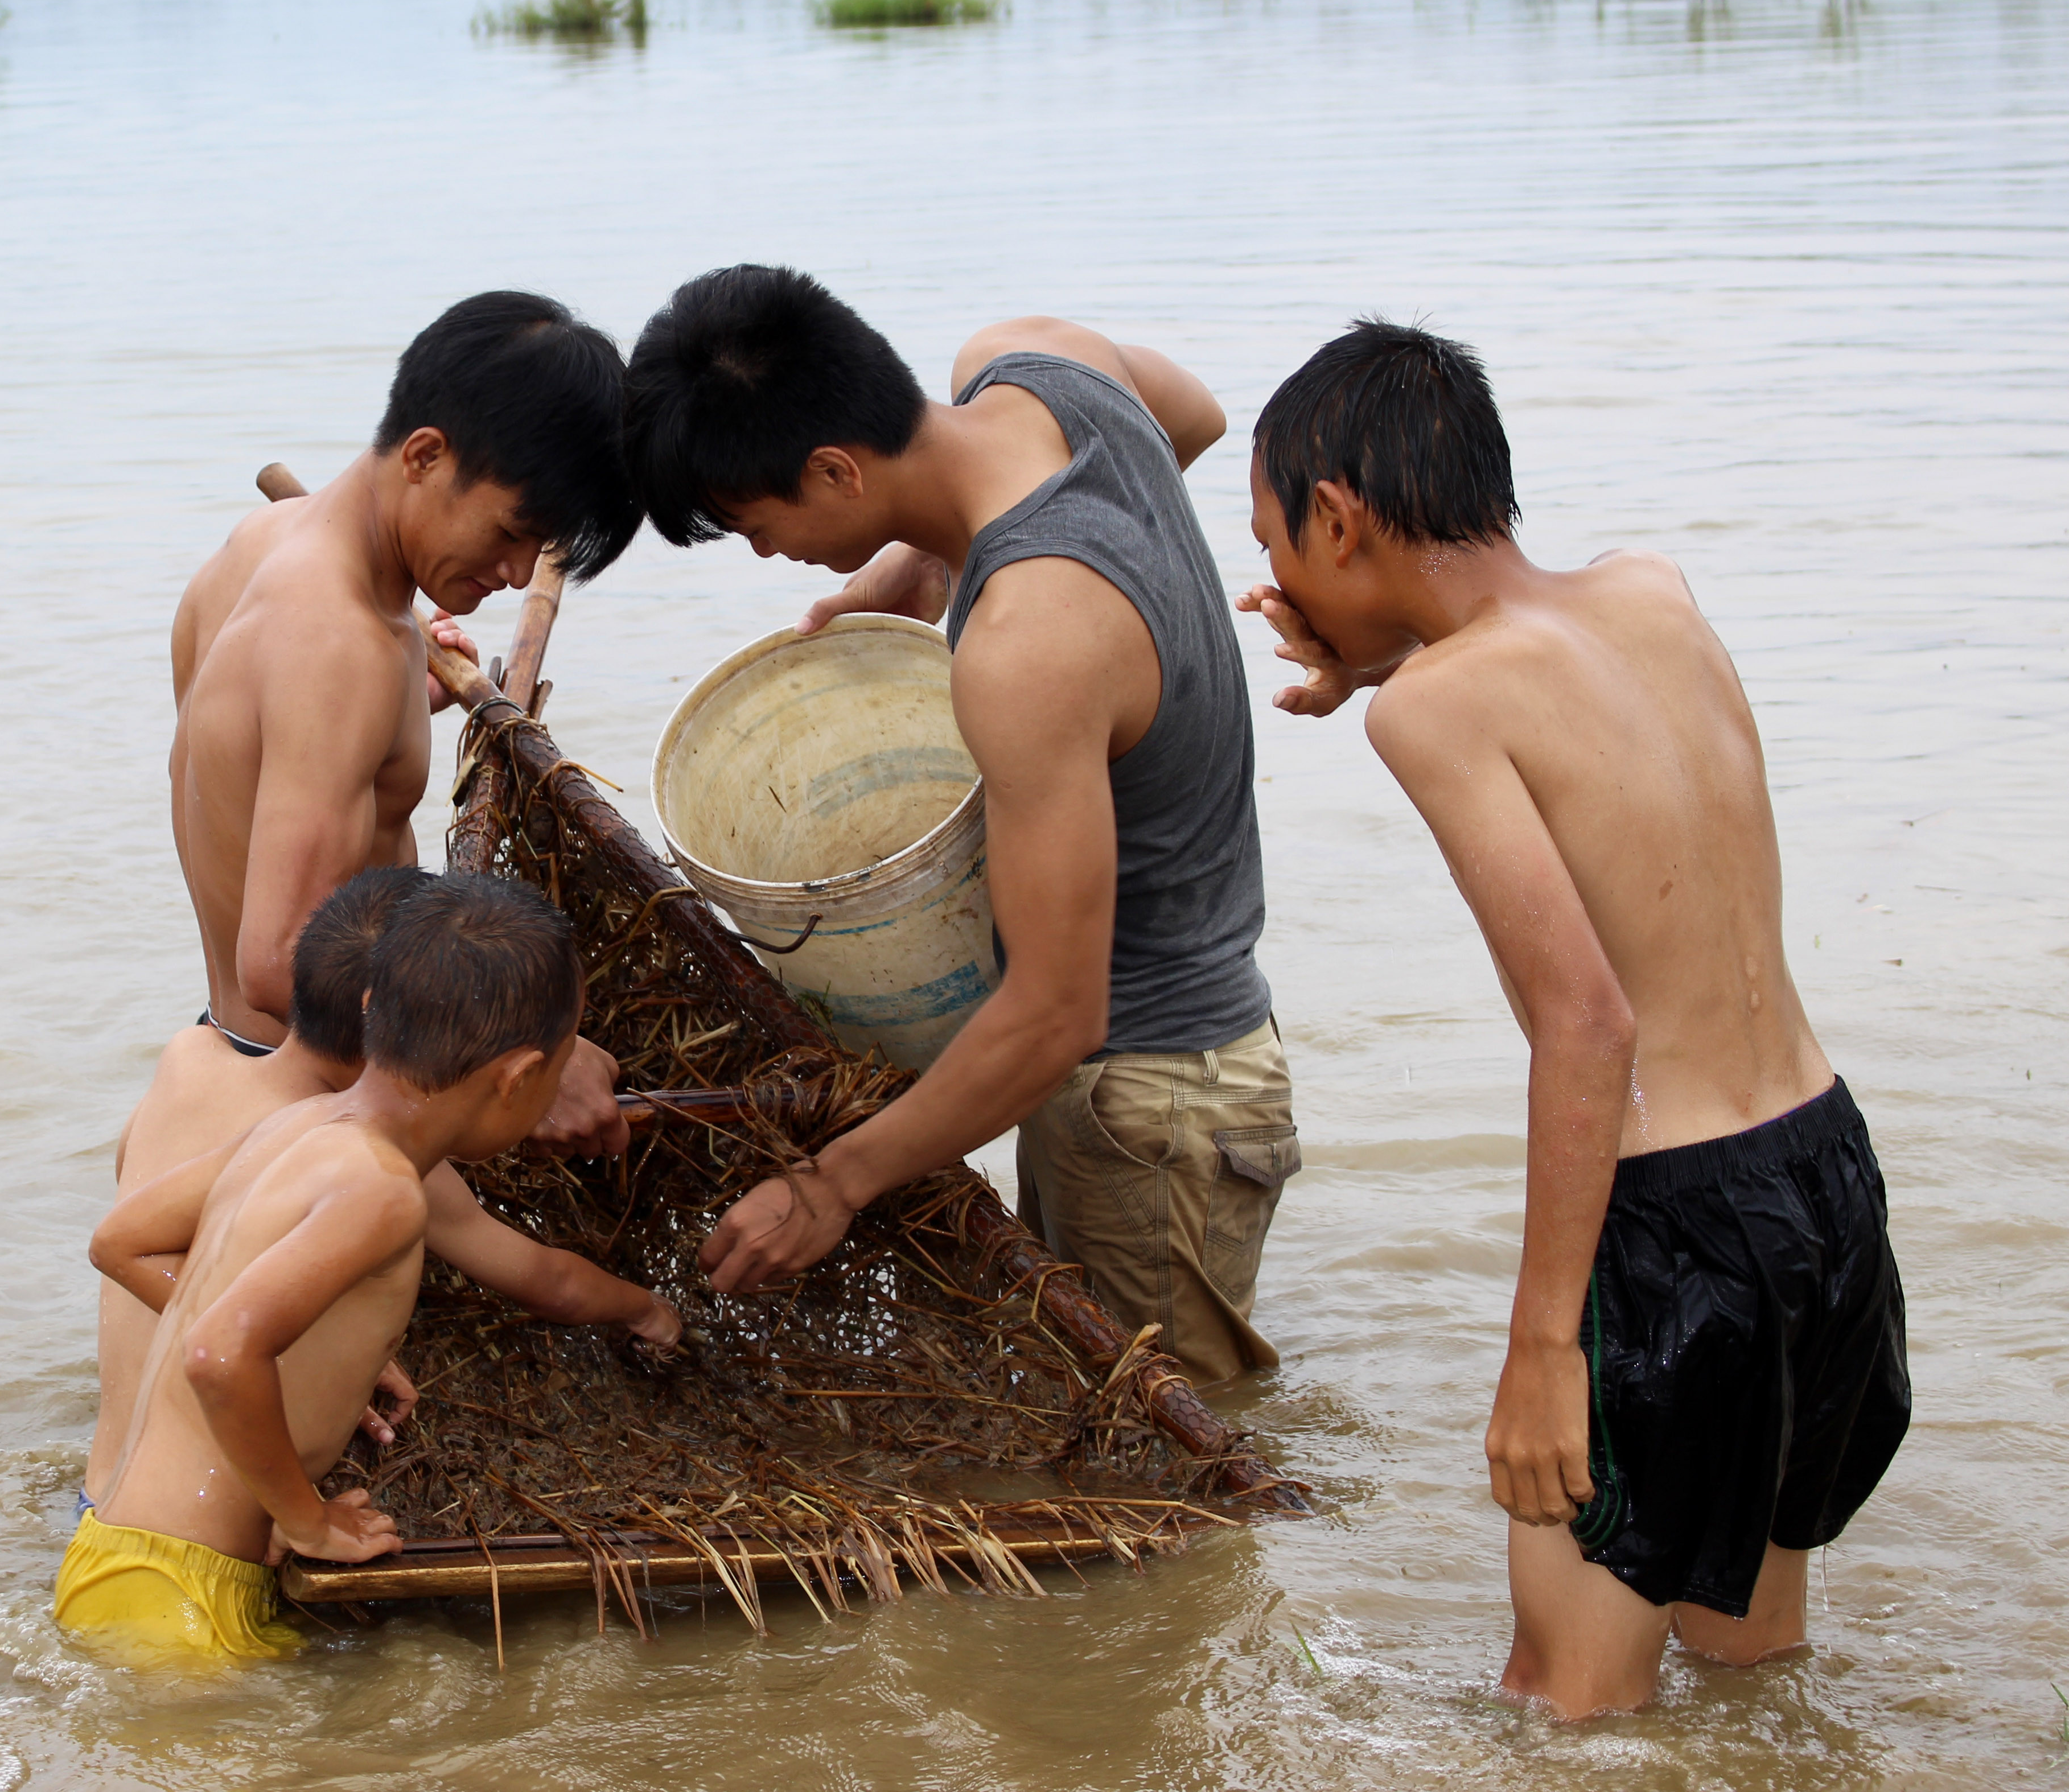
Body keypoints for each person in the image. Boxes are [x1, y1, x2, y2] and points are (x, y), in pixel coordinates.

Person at [1236, 319, 1909, 1717]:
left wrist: (1543, 1349)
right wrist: (1382, 649)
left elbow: (1589, 1029)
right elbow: (1574, 715)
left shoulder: (1436, 711)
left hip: (1679, 1225)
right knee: (1748, 1662)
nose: (1278, 583)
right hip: (1826, 1181)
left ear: (1340, 517)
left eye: (1281, 543)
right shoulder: (1653, 592)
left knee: (1565, 1702)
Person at [622, 265, 1298, 1389]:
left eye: (756, 524)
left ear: (836, 469)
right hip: (1189, 1067)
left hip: (1151, 1098)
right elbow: (1197, 416)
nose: (762, 554)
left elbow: (1053, 1014)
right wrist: (939, 557)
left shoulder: (1031, 645)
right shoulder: (1043, 364)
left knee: (1166, 1477)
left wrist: (832, 1185)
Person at [64, 874, 671, 1662]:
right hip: (183, 1593)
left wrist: (312, 1352)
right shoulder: (385, 1191)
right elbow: (220, 1352)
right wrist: (304, 1516)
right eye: (556, 1077)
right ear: (518, 1078)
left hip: (119, 1548)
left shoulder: (296, 1125)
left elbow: (122, 1241)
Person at [167, 289, 637, 1156]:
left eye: (544, 548)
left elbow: (245, 765)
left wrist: (391, 717)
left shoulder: (265, 541)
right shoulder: (340, 646)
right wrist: (527, 1061)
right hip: (317, 1110)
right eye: (514, 530)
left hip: (228, 1067)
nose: (518, 569)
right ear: (426, 455)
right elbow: (278, 964)